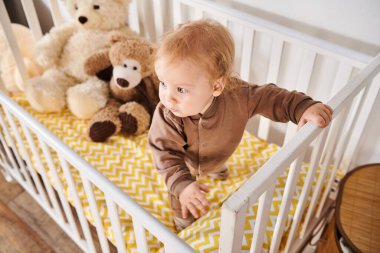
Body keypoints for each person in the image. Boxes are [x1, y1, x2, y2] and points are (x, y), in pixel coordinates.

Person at [148, 19, 333, 232]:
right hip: (184, 162)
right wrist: (183, 186)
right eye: (163, 83)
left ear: (216, 85)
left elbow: (271, 97)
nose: (167, 98)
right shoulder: (167, 115)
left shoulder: (239, 97)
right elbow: (165, 153)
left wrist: (302, 107)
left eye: (181, 89)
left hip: (220, 152)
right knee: (181, 191)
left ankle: (215, 168)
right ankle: (183, 219)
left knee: (215, 162)